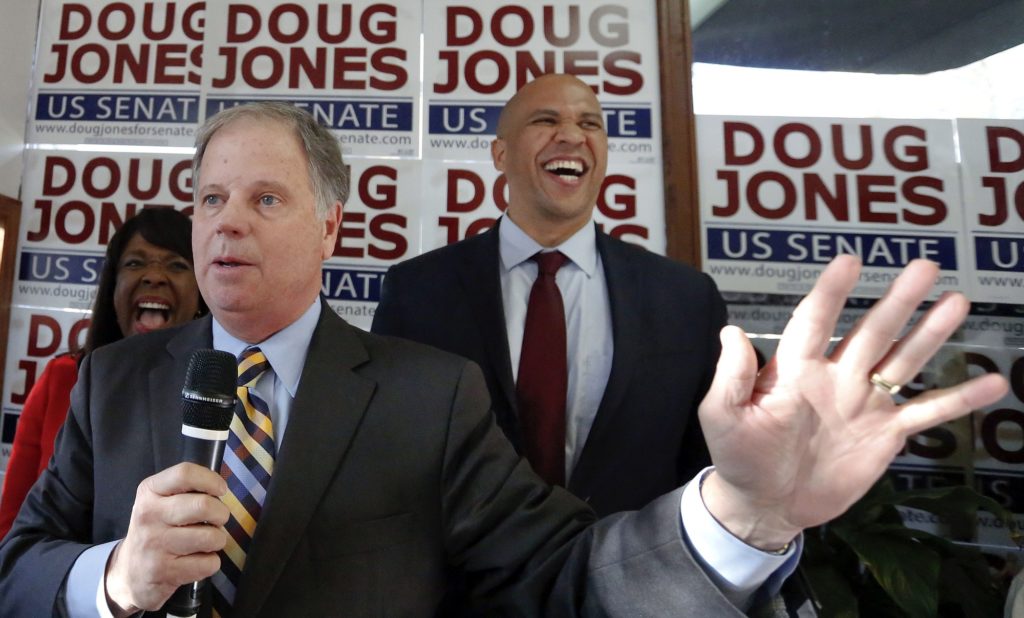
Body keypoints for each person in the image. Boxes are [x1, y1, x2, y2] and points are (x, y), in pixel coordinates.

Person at [0, 102, 1008, 617]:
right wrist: (109, 581)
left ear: (331, 226)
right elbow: (19, 569)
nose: (223, 226)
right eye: (210, 198)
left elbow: (569, 573)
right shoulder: (111, 378)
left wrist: (746, 514)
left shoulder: (426, 396)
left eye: (264, 199)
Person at [373, 73, 723, 516]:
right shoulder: (417, 291)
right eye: (546, 120)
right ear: (500, 154)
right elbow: (389, 454)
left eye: (590, 124)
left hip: (627, 575)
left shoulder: (687, 300)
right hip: (463, 578)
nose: (572, 136)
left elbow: (706, 468)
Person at [0, 207, 205, 539]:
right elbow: (13, 532)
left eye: (177, 264)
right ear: (113, 288)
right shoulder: (62, 379)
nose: (153, 276)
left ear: (200, 294)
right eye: (134, 263)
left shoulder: (216, 391)